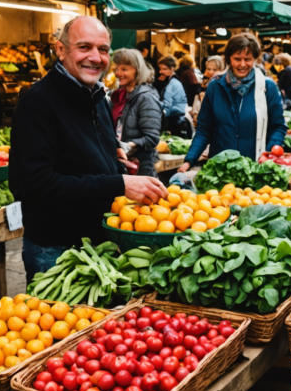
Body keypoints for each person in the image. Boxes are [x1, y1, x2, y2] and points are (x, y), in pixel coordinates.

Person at [10, 16, 167, 278]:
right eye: (84, 47)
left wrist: (113, 161)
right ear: (61, 50)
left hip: (97, 243)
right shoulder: (36, 103)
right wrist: (120, 183)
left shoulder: (96, 97)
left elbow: (77, 157)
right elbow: (37, 185)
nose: (95, 57)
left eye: (103, 50)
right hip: (56, 249)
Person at [179, 33, 287, 172]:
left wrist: (270, 152)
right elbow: (204, 129)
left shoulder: (267, 88)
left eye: (247, 59)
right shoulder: (215, 86)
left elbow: (278, 127)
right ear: (229, 59)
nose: (242, 64)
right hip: (220, 169)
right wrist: (189, 161)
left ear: (254, 59)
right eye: (237, 59)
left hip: (255, 168)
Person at [111, 48, 161, 178]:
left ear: (137, 71)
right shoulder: (119, 95)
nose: (118, 73)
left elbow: (152, 138)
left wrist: (128, 145)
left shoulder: (146, 97)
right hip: (122, 163)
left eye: (124, 69)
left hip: (140, 167)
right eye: (117, 69)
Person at [153, 55, 191, 138]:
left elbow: (167, 105)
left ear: (172, 69)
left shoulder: (172, 83)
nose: (161, 72)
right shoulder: (171, 81)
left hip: (175, 121)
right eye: (160, 69)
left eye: (164, 69)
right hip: (177, 119)